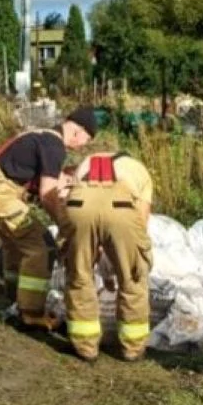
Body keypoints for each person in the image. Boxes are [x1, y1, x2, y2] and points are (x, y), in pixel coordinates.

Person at [0, 107, 97, 323]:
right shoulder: (55, 146)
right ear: (78, 131)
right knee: (41, 245)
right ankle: (31, 313)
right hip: (0, 192)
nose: (82, 146)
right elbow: (47, 194)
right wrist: (65, 225)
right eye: (85, 140)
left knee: (12, 242)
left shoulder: (43, 136)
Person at [60, 148, 154, 362]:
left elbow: (68, 198)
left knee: (79, 275)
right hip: (122, 207)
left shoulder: (87, 162)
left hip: (79, 205)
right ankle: (133, 348)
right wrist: (125, 257)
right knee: (132, 278)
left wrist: (97, 250)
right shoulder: (139, 170)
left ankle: (85, 347)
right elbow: (141, 219)